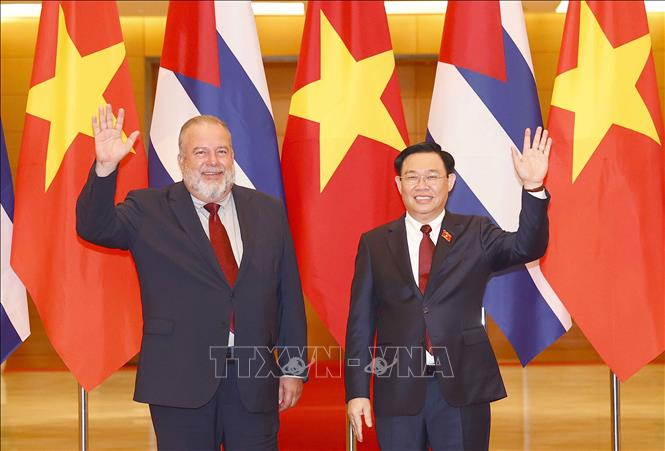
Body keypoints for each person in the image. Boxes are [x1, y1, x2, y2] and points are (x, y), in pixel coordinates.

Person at [77, 105, 307, 451]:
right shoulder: (148, 208)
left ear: (232, 157)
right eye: (200, 152)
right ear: (182, 160)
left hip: (254, 381)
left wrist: (293, 367)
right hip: (178, 381)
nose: (212, 161)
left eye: (221, 151)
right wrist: (106, 168)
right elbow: (94, 226)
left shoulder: (267, 210)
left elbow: (288, 292)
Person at [345, 128, 552, 450]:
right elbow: (360, 323)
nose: (422, 186)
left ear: (450, 182)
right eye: (412, 177)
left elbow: (528, 247)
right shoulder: (374, 243)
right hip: (397, 389)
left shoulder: (476, 232)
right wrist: (357, 391)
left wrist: (533, 186)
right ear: (398, 184)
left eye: (432, 176)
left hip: (463, 388)